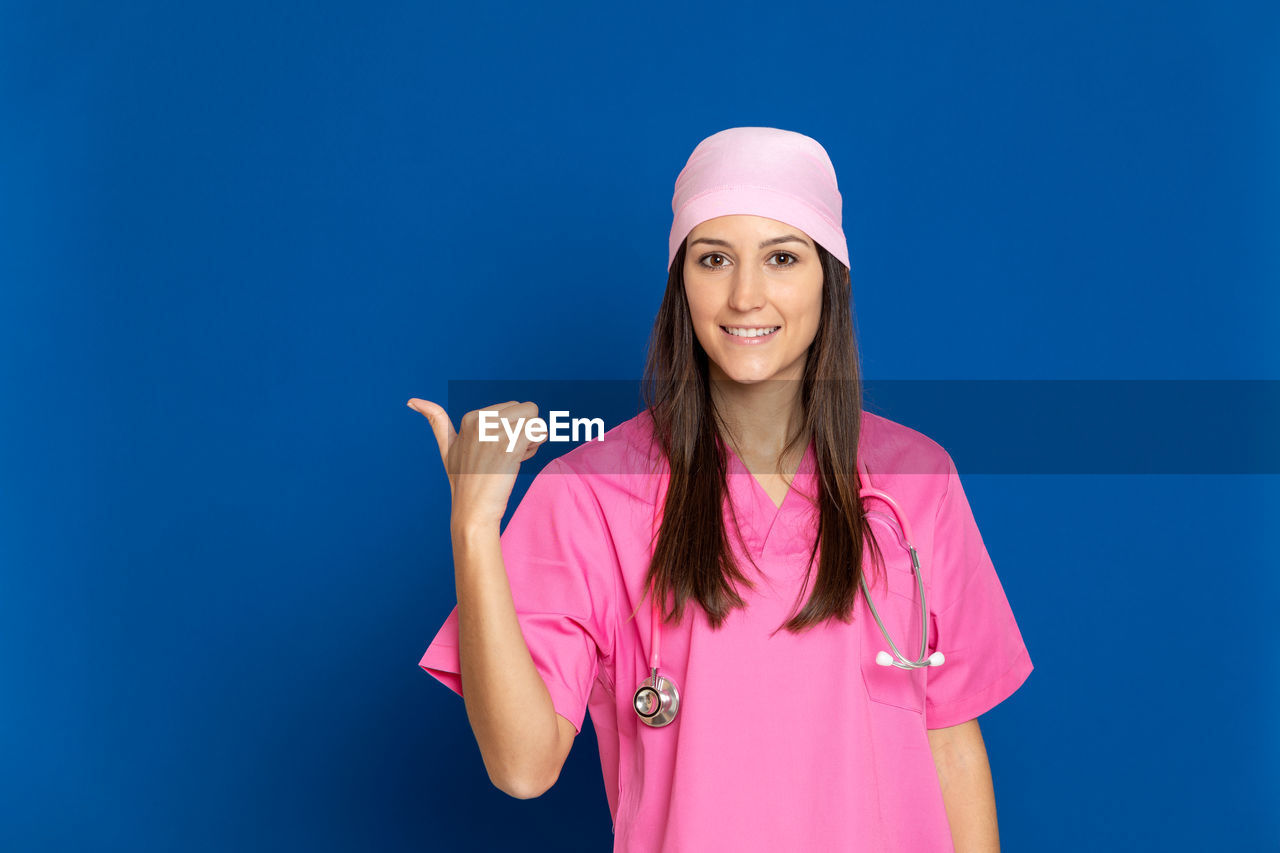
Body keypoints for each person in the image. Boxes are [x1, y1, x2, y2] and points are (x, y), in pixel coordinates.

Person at [406, 126, 1033, 852]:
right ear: (682, 282)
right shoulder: (591, 496)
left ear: (829, 278)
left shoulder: (915, 481)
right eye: (714, 259)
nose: (745, 296)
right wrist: (474, 529)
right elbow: (521, 765)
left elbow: (950, 743)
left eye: (782, 258)